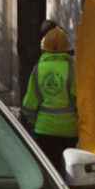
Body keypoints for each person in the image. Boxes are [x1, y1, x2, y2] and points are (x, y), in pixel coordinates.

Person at [21, 27, 78, 173]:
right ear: (66, 49)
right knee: (68, 171)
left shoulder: (38, 69)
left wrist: (34, 123)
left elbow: (29, 105)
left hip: (44, 130)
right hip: (69, 131)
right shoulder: (72, 70)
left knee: (49, 172)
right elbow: (80, 101)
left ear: (44, 49)